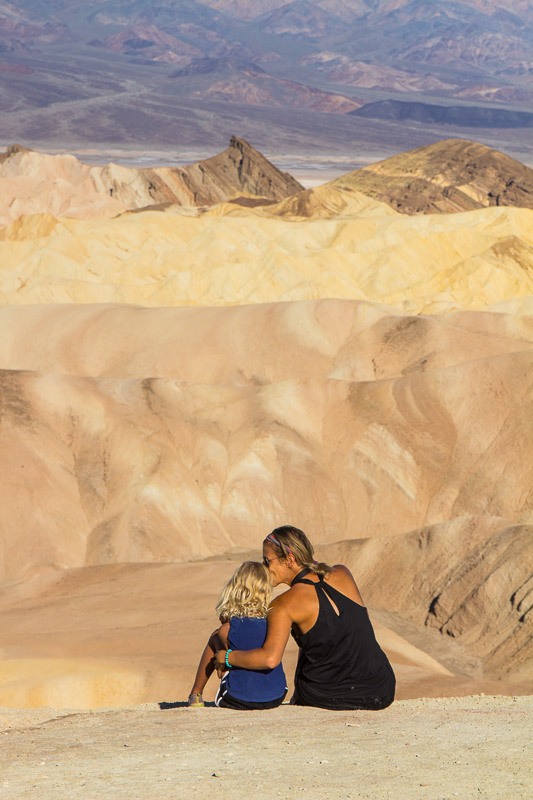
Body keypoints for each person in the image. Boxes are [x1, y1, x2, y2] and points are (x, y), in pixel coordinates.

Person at [214, 526, 395, 710]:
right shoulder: (342, 572)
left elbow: (270, 658)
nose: (264, 567)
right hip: (381, 688)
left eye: (267, 561)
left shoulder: (283, 604)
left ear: (289, 560)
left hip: (332, 695)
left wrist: (226, 657)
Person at [188, 561, 287, 709]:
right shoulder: (274, 625)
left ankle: (196, 694)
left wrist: (224, 658)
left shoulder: (228, 629)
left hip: (237, 698)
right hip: (278, 695)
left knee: (216, 637)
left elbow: (229, 634)